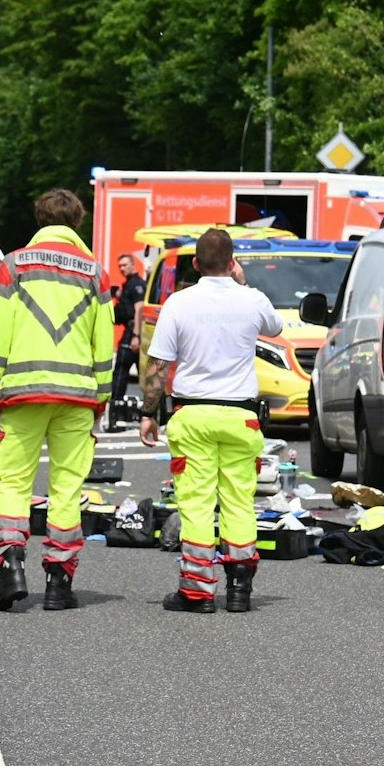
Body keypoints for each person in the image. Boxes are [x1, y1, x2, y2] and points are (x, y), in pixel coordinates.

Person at [0, 189, 115, 613]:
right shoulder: (96, 273)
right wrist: (103, 396)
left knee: (14, 483)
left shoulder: (13, 265)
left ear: (39, 219)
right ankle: (59, 581)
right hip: (76, 397)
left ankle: (10, 567)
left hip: (21, 392)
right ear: (78, 222)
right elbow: (103, 342)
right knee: (67, 488)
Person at [139, 228, 285, 613]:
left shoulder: (179, 303)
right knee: (239, 501)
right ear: (233, 261)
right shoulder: (252, 299)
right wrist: (243, 282)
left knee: (197, 504)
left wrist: (147, 413)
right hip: (241, 417)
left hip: (193, 415)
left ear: (195, 264)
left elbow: (159, 366)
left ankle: (197, 591)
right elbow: (275, 327)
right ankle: (239, 589)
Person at [104, 253, 147, 431]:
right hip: (132, 332)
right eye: (119, 266)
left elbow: (139, 309)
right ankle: (126, 412)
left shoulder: (136, 284)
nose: (122, 268)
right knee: (138, 373)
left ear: (132, 265)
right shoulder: (129, 284)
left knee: (121, 372)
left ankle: (117, 411)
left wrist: (136, 335)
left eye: (124, 265)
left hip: (133, 333)